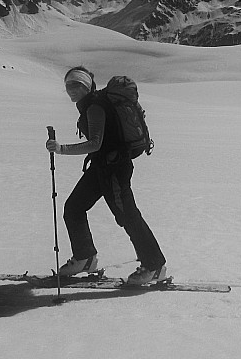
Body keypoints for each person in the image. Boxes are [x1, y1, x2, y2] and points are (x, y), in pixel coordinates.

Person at [46, 66, 167, 285]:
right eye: (68, 86)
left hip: (114, 170)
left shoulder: (95, 107)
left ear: (87, 86)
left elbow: (95, 143)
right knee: (74, 208)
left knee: (128, 216)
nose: (71, 90)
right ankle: (85, 258)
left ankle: (155, 266)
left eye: (77, 85)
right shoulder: (91, 104)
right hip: (103, 167)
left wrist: (61, 148)